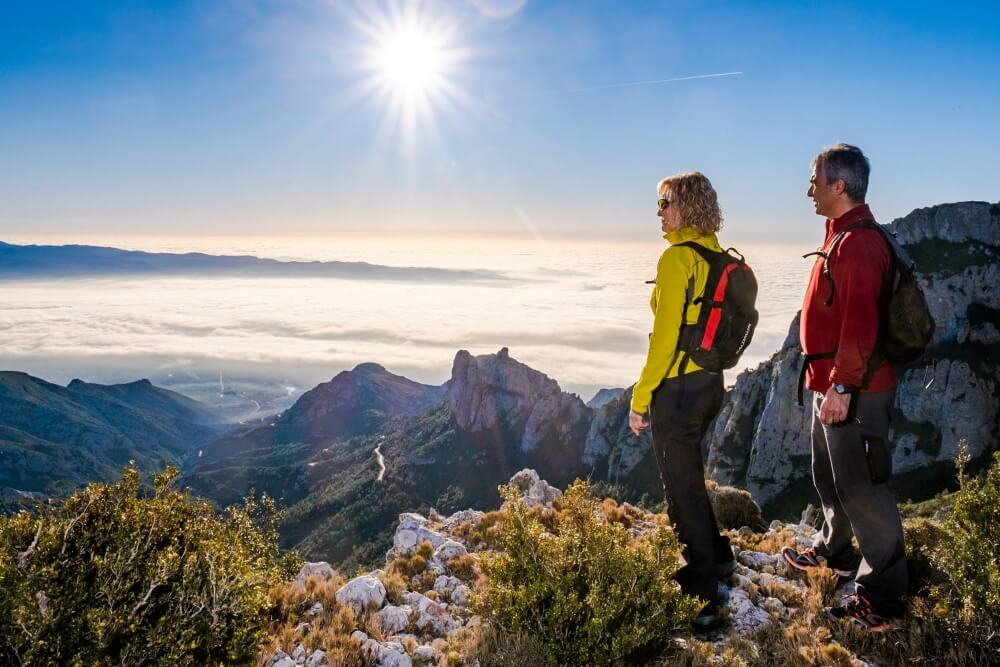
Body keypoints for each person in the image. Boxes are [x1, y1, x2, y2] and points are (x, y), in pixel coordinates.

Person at [781, 144, 908, 632]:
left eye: (815, 179)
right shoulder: (839, 237)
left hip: (854, 391)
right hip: (833, 386)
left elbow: (859, 326)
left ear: (840, 185)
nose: (808, 188)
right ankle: (835, 552)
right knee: (830, 478)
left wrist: (841, 388)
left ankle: (884, 597)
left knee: (865, 490)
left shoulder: (859, 244)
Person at [629, 171, 736, 629]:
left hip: (677, 390)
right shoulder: (715, 253)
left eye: (665, 203)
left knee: (681, 487)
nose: (659, 212)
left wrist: (640, 397)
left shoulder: (676, 260)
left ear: (685, 206)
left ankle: (702, 592)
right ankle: (721, 556)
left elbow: (665, 341)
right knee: (691, 478)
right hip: (711, 386)